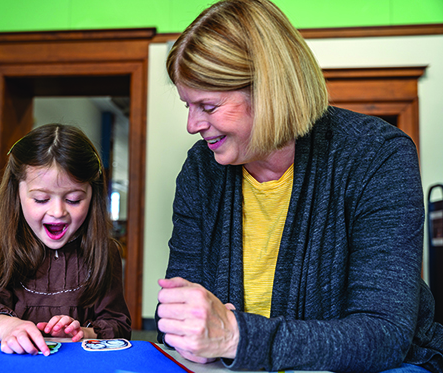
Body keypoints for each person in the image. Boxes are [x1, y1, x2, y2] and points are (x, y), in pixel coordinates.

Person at [156, 0, 443, 372]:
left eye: (208, 107)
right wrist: (189, 334)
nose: (192, 125)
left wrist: (236, 337)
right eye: (187, 106)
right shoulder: (200, 170)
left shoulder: (378, 155)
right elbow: (178, 318)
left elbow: (384, 334)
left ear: (269, 90)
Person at [0, 124, 131, 356]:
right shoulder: (1, 247)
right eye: (41, 199)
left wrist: (85, 333)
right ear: (17, 194)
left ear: (92, 196)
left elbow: (118, 324)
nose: (58, 212)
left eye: (73, 199)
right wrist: (8, 326)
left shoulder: (104, 251)